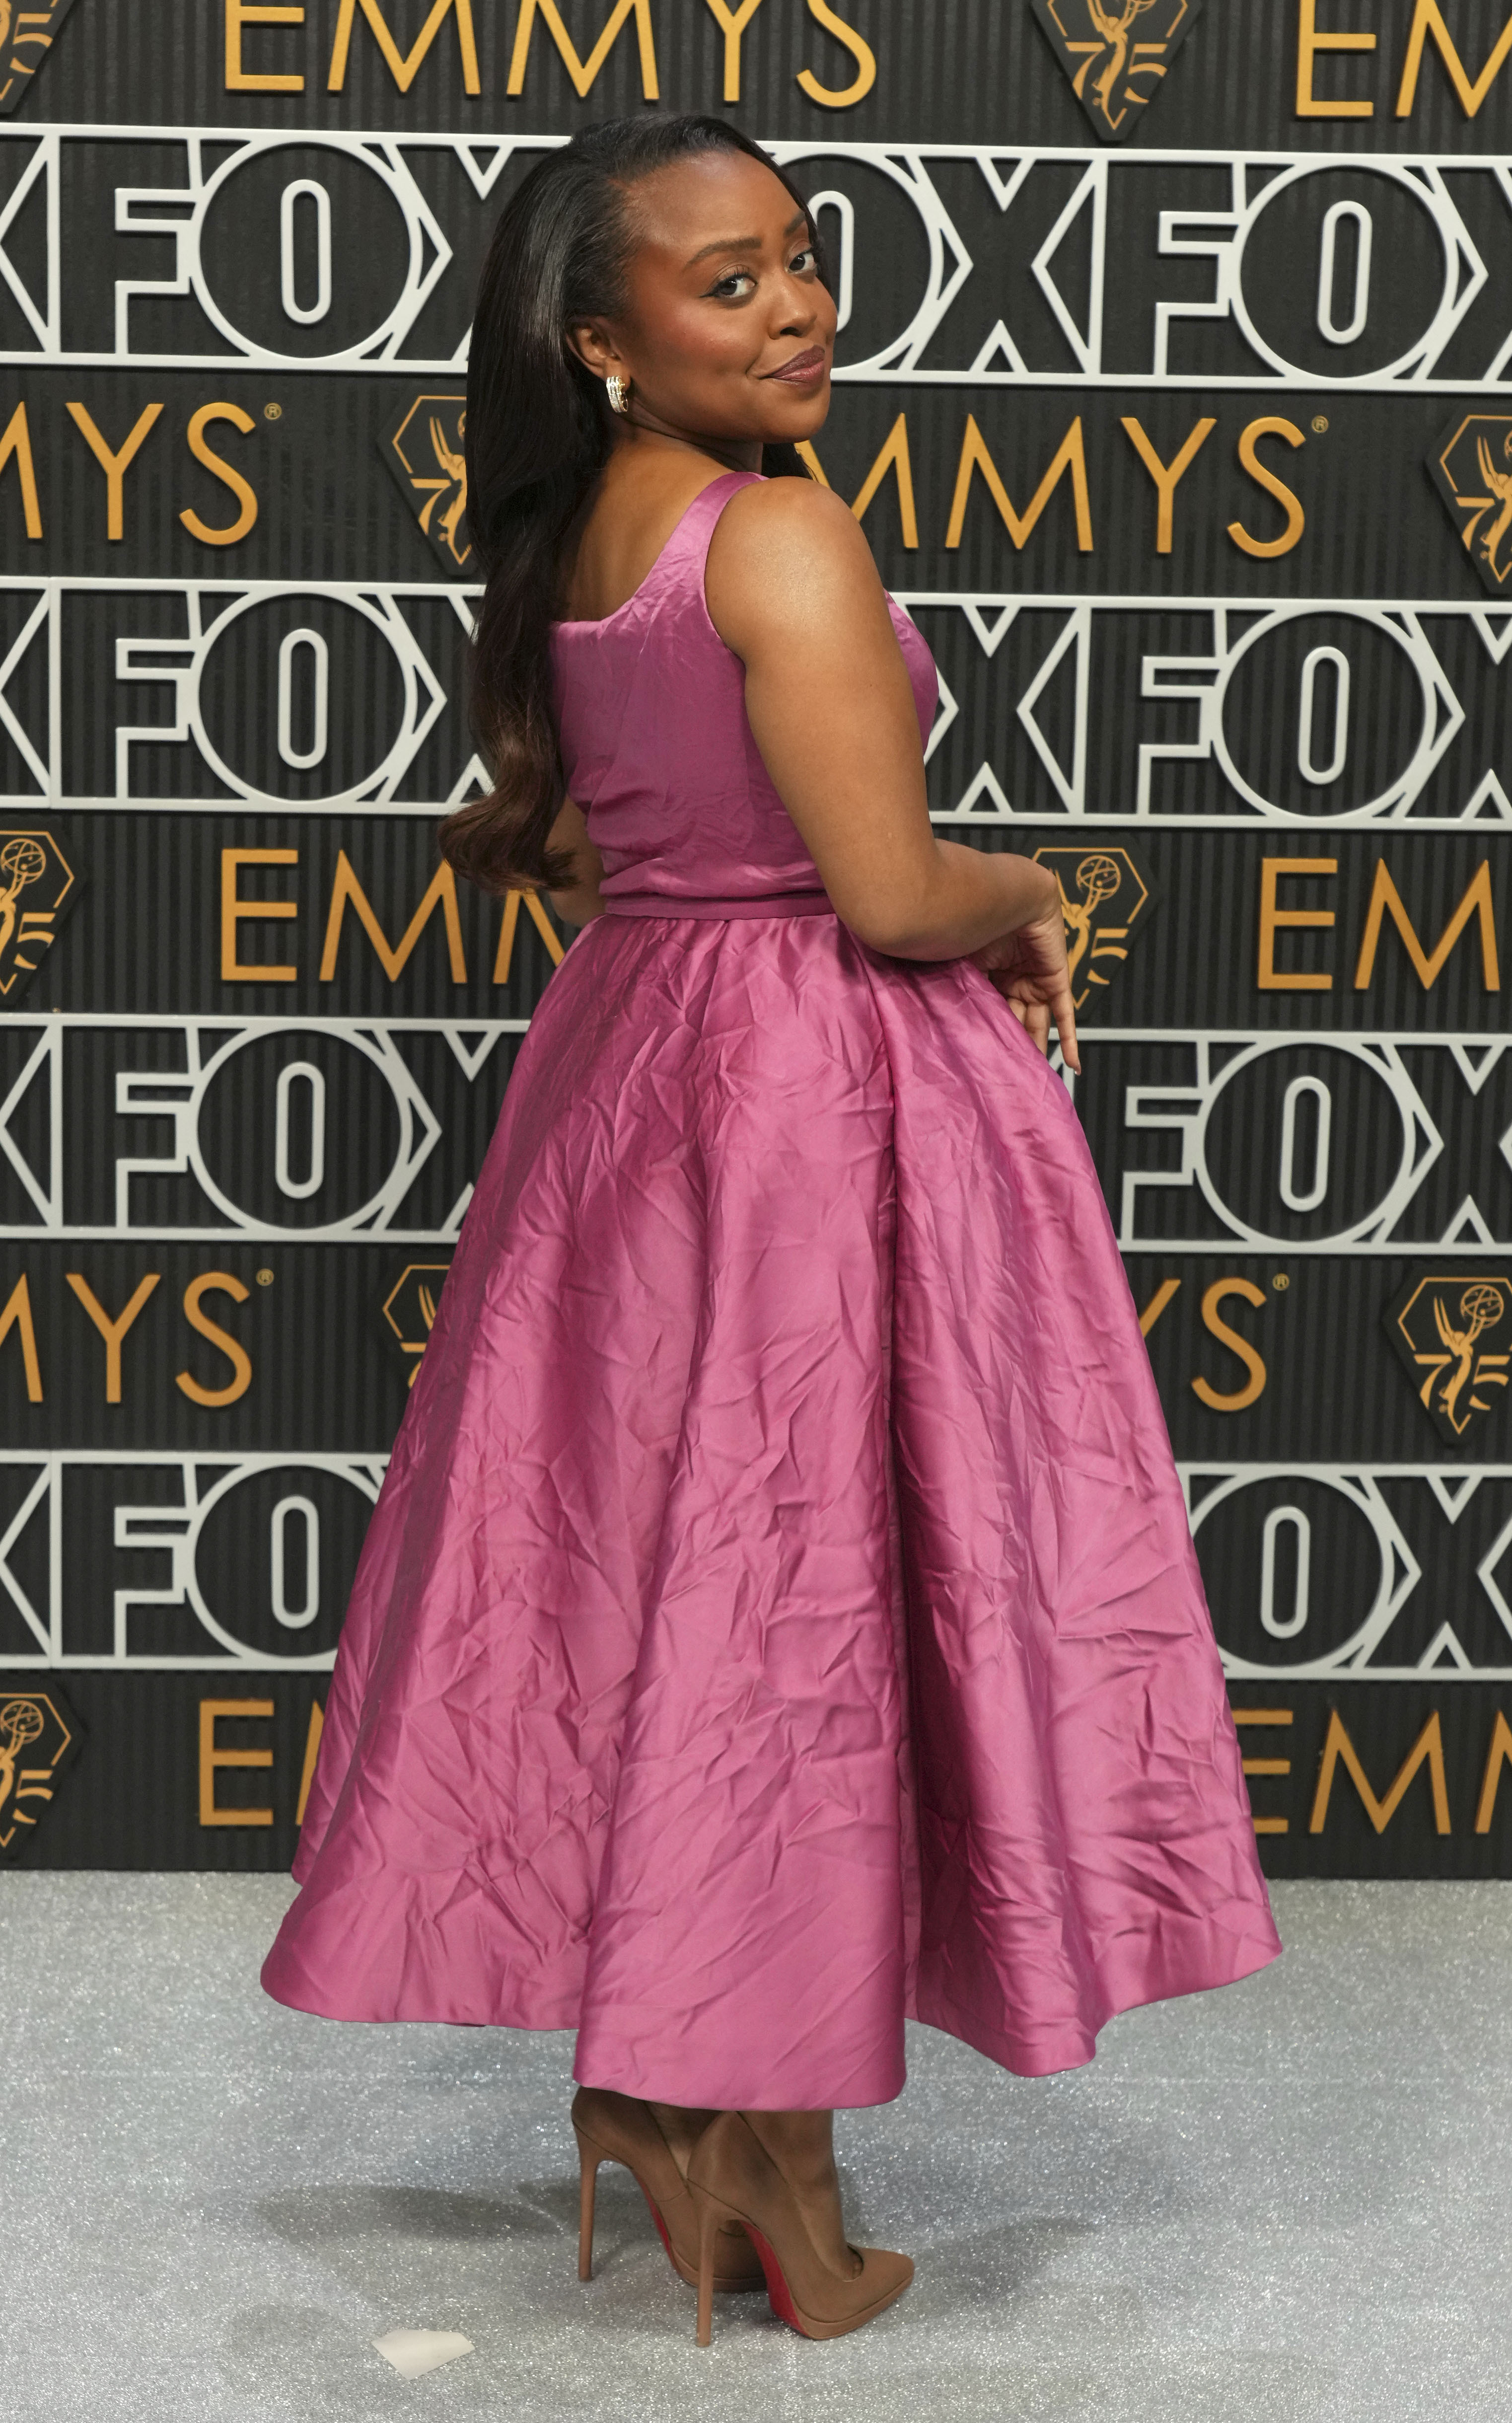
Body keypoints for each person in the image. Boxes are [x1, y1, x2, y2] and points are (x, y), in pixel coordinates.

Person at [261, 113, 1280, 2350]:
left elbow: (592, 837)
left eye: (802, 257)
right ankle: (769, 2160)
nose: (797, 302)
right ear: (608, 339)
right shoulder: (780, 541)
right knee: (803, 1611)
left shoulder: (585, 539)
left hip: (632, 1080)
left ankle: (665, 2092)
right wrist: (1037, 893)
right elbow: (897, 893)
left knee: (670, 1591)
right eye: (729, 282)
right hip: (817, 1097)